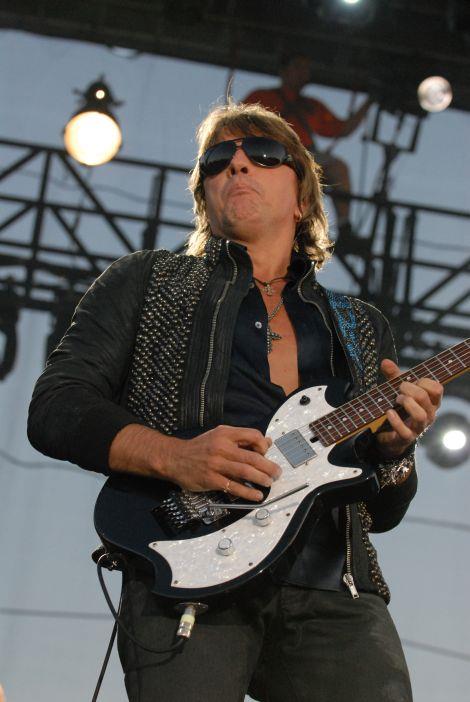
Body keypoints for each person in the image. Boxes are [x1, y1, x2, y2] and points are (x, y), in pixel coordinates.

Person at [28, 101, 443, 702]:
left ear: (302, 198)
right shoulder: (145, 280)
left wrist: (395, 449)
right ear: (204, 196)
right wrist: (174, 457)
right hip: (186, 567)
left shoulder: (360, 325)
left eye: (264, 154)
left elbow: (386, 508)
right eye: (219, 159)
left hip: (334, 588)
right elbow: (56, 406)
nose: (238, 166)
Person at [243, 54, 373, 243]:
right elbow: (239, 124)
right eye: (298, 66)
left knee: (338, 168)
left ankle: (344, 227)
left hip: (303, 156)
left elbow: (343, 128)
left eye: (306, 68)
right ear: (284, 71)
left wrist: (369, 102)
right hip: (269, 154)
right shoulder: (261, 97)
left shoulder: (312, 106)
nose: (304, 72)